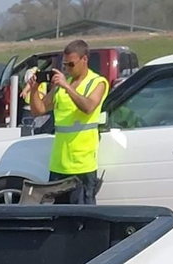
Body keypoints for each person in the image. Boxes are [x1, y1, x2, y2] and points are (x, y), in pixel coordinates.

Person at [45, 41, 109, 205]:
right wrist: (33, 88)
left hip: (82, 166)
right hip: (59, 165)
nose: (67, 68)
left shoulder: (98, 82)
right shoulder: (62, 85)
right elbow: (39, 109)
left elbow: (88, 107)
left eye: (71, 64)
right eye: (64, 64)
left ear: (84, 60)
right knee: (58, 220)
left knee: (82, 219)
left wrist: (67, 87)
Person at [22, 64, 54, 135]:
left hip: (30, 106)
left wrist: (25, 90)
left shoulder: (30, 72)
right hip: (39, 103)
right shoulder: (39, 72)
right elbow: (39, 111)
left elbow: (29, 83)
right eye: (64, 65)